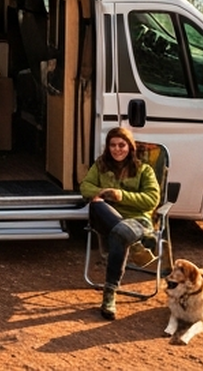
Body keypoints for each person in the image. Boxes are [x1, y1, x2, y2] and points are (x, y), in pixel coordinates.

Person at [82, 125, 161, 320]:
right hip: (108, 218)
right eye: (112, 145)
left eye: (122, 145)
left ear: (130, 147)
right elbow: (85, 187)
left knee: (120, 234)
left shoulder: (144, 170)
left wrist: (121, 196)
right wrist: (102, 193)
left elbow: (152, 199)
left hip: (138, 221)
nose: (117, 149)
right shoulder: (100, 165)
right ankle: (135, 247)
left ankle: (109, 294)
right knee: (97, 205)